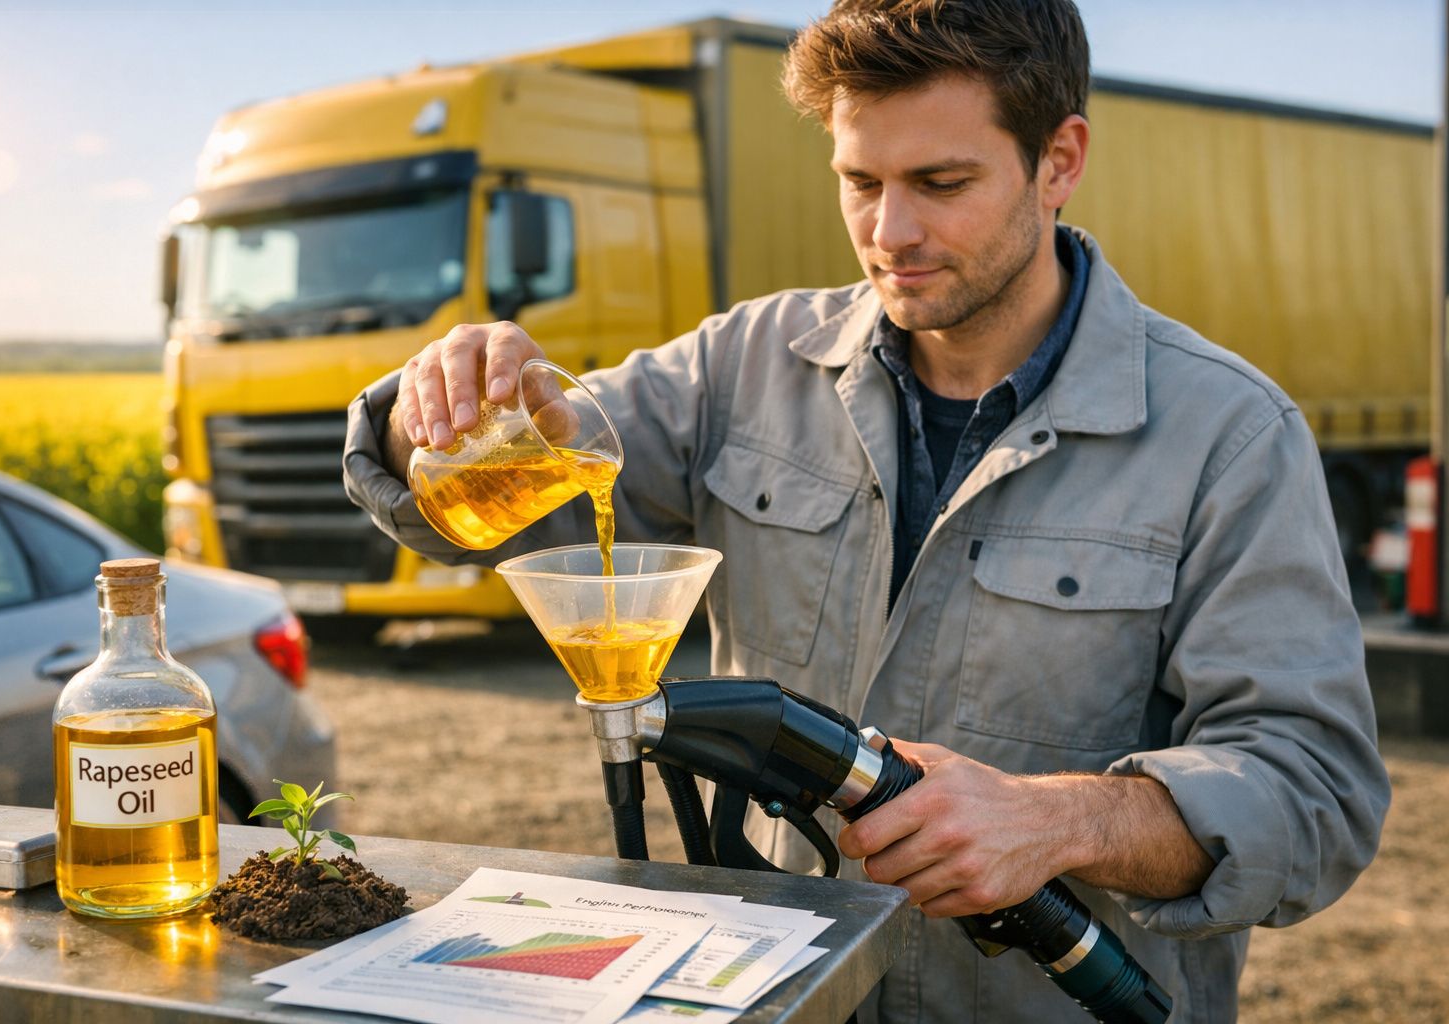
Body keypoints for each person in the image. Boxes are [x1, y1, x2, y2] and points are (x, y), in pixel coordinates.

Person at [342, 1, 1390, 1019]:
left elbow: (1314, 790)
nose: (891, 231)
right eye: (860, 180)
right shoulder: (737, 369)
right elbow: (472, 510)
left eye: (941, 182)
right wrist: (435, 409)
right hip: (780, 1001)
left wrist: (1059, 821)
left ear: (1060, 160)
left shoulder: (1229, 434)